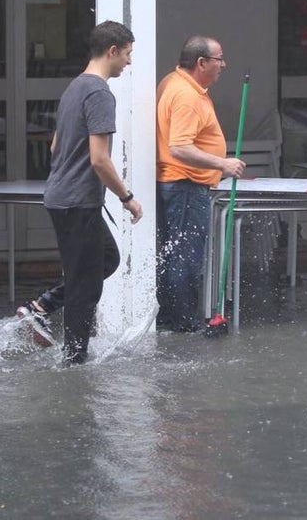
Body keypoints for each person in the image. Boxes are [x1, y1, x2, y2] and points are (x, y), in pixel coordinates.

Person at [17, 20, 143, 365]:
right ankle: (75, 359)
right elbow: (100, 160)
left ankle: (40, 308)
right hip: (77, 201)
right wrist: (127, 197)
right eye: (128, 55)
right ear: (112, 51)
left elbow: (55, 143)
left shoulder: (75, 87)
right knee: (86, 285)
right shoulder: (100, 93)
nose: (129, 63)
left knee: (106, 260)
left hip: (64, 197)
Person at [155, 36, 246, 333]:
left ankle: (172, 319)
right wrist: (223, 164)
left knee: (175, 254)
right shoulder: (187, 95)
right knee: (185, 257)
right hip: (186, 186)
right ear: (201, 63)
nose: (224, 64)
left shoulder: (176, 82)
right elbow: (180, 146)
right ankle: (181, 324)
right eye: (219, 59)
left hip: (182, 186)